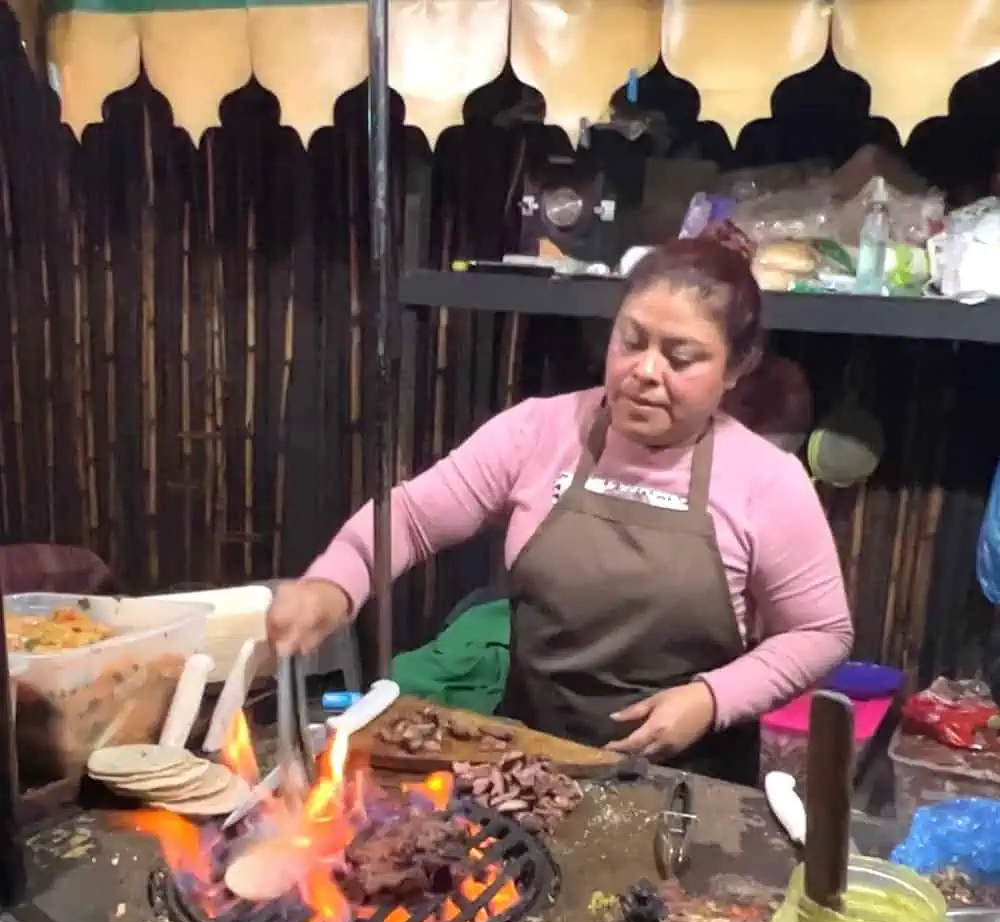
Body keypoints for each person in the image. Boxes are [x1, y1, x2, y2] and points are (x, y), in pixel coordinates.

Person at [267, 232, 853, 786]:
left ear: (735, 369)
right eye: (632, 341)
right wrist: (333, 585)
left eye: (682, 357)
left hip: (688, 782)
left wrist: (712, 698)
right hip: (532, 761)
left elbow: (821, 632)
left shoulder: (767, 481)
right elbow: (412, 518)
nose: (646, 372)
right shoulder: (539, 432)